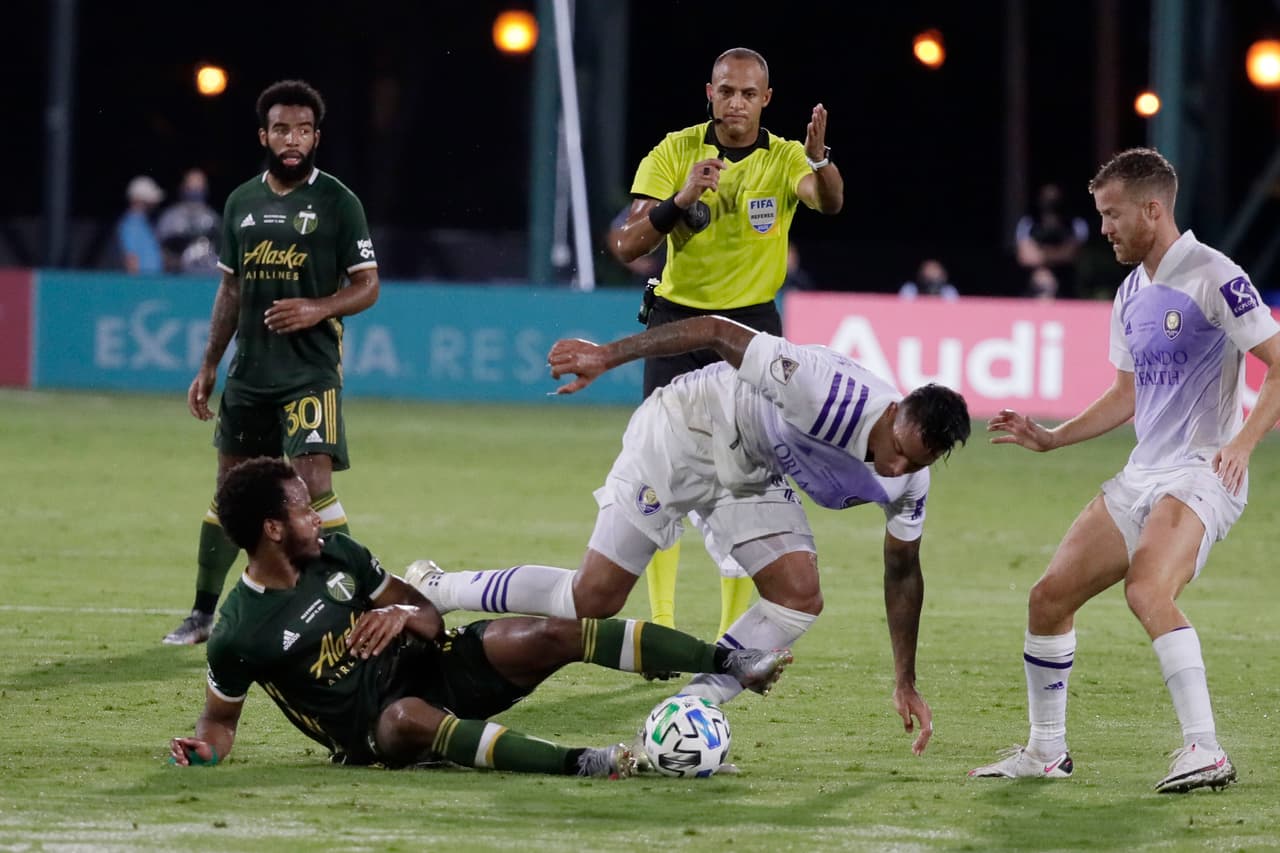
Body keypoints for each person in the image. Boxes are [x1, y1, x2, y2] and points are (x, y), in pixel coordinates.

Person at [407, 315, 970, 756]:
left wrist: (905, 681)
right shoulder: (823, 387)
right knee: (594, 598)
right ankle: (438, 588)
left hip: (752, 473)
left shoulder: (908, 483)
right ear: (894, 411)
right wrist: (608, 356)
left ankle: (683, 714)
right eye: (896, 448)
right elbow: (714, 331)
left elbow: (902, 574)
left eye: (915, 461)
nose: (895, 466)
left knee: (798, 597)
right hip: (691, 427)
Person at [969, 148, 1280, 793]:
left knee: (1147, 590)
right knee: (1048, 600)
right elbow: (1127, 394)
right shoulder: (1130, 292)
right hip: (1143, 473)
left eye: (1112, 215)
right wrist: (1053, 439)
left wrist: (1243, 445)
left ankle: (1205, 749)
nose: (1103, 228)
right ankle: (1046, 751)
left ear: (1152, 209)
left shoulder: (1213, 274)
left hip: (1202, 471)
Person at [167, 457, 792, 776]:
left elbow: (431, 620)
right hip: (372, 729)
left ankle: (734, 662)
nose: (317, 518)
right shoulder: (237, 633)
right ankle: (583, 762)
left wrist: (405, 617)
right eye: (305, 511)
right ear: (273, 530)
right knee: (408, 716)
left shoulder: (340, 555)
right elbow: (219, 723)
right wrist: (204, 751)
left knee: (555, 631)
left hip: (432, 667)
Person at [610, 47, 845, 640]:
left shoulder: (787, 156)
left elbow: (829, 201)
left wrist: (822, 161)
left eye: (747, 93)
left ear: (767, 99)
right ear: (708, 93)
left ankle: (728, 634)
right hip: (675, 325)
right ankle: (661, 625)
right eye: (726, 91)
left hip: (752, 335)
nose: (735, 102)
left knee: (748, 479)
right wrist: (679, 201)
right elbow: (626, 244)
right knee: (659, 473)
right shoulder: (675, 151)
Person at [163, 79, 380, 645]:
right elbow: (230, 293)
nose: (293, 139)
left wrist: (318, 307)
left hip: (310, 372)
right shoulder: (240, 202)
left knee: (312, 485)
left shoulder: (338, 201)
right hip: (250, 374)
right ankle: (203, 612)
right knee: (231, 492)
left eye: (303, 130)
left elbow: (368, 286)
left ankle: (350, 604)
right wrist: (210, 365)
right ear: (264, 134)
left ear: (315, 137)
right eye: (282, 128)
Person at [1014, 182, 1089, 299]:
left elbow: (1071, 255)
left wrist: (1042, 253)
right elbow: (1025, 257)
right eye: (1046, 199)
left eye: (1054, 199)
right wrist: (1055, 254)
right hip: (1034, 279)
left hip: (1066, 282)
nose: (1050, 203)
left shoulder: (1076, 224)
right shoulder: (1028, 223)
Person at [156, 167, 222, 273]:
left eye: (199, 188)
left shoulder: (213, 217)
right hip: (182, 280)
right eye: (191, 187)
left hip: (210, 278)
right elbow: (162, 252)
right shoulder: (170, 217)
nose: (195, 192)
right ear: (183, 188)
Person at [117, 175, 165, 274]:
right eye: (150, 201)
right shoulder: (131, 225)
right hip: (144, 285)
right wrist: (137, 286)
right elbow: (131, 259)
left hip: (153, 282)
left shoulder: (145, 222)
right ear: (139, 200)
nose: (154, 204)